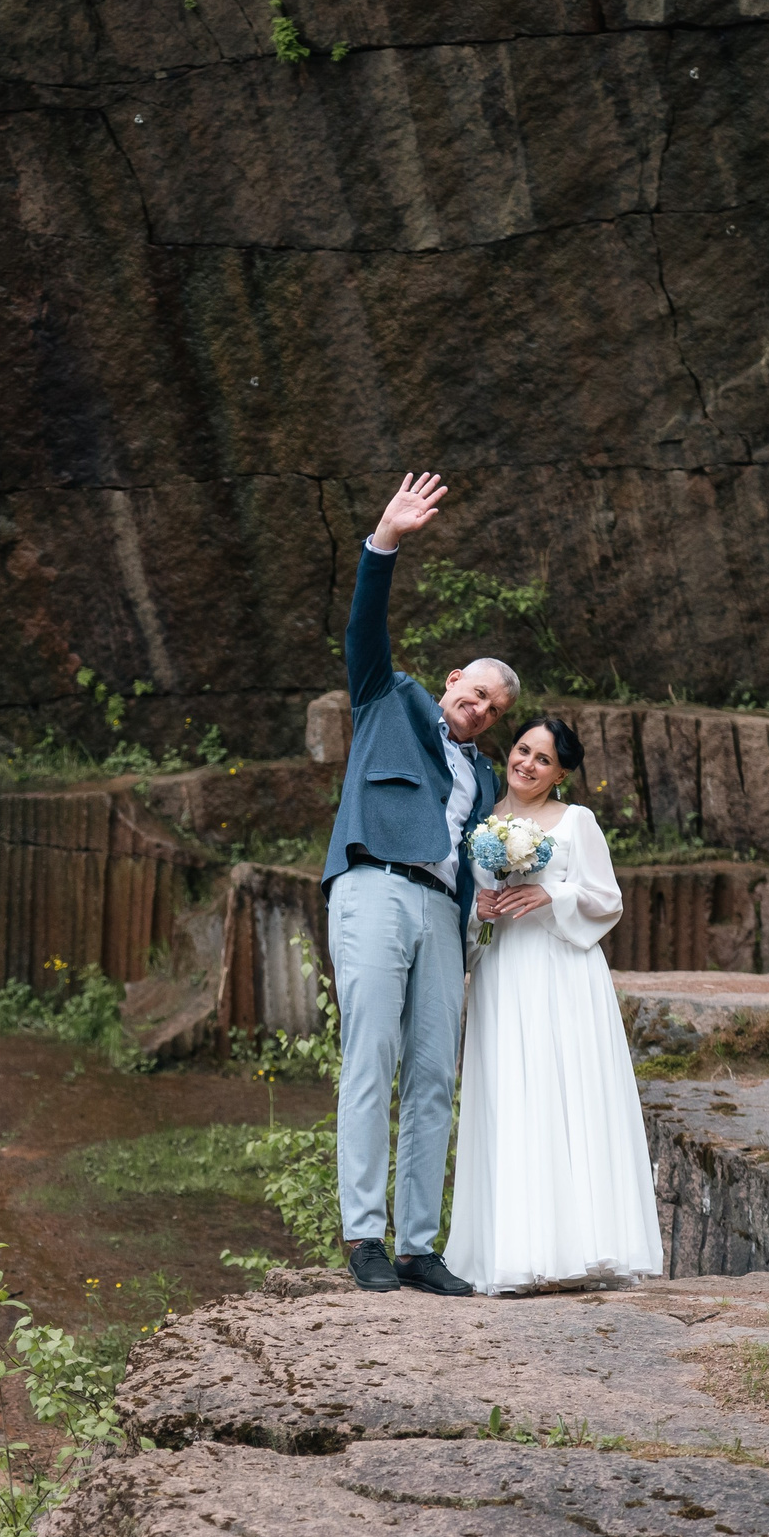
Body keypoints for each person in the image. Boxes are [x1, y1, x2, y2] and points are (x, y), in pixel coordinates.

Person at [318, 473, 517, 1294]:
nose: (480, 708)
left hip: (442, 914)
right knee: (371, 1054)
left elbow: (485, 857)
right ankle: (364, 1232)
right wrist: (386, 540)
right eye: (475, 692)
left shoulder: (486, 777)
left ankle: (417, 1244)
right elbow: (364, 627)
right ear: (452, 679)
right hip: (374, 886)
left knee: (435, 1074)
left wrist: (491, 903)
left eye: (494, 708)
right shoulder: (388, 698)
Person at [442, 716, 664, 1295]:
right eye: (523, 750)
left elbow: (606, 900)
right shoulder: (480, 823)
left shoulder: (576, 822)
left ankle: (583, 1249)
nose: (528, 764)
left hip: (564, 971)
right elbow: (467, 902)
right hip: (503, 971)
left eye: (544, 759)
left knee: (570, 1094)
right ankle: (516, 1254)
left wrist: (550, 894)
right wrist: (478, 912)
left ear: (561, 773)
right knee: (511, 1096)